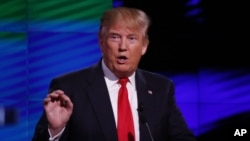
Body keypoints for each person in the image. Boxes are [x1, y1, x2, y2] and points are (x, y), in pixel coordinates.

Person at [32, 6, 197, 141]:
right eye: (115, 37)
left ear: (144, 46)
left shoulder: (161, 87)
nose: (123, 47)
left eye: (132, 38)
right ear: (102, 42)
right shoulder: (69, 87)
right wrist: (55, 130)